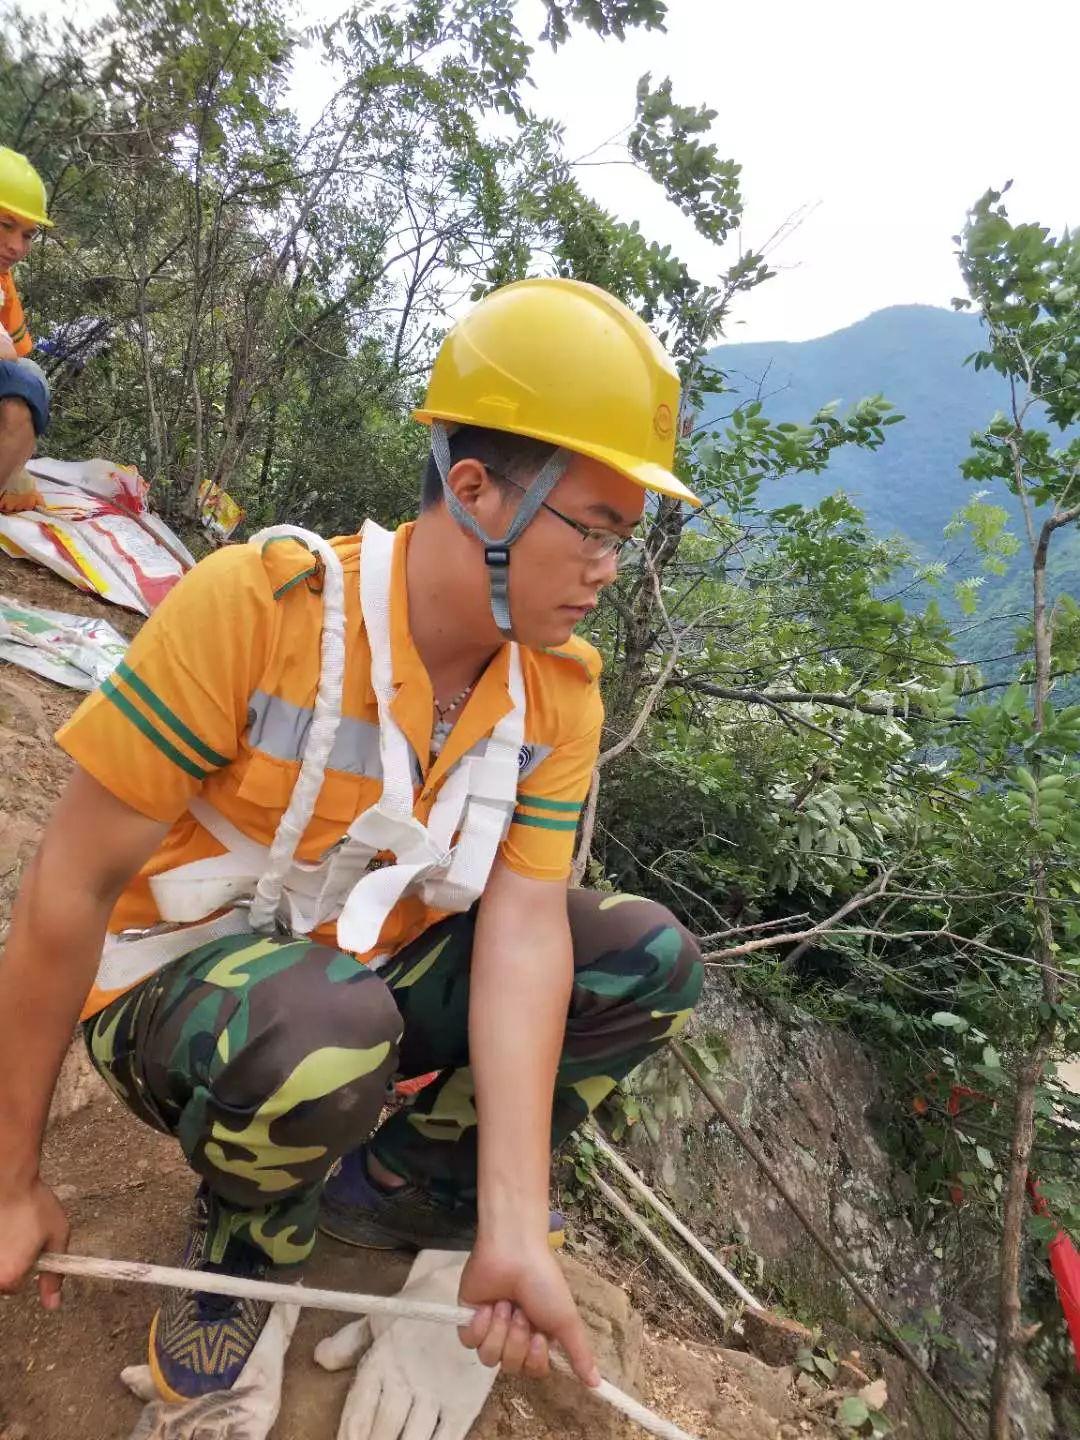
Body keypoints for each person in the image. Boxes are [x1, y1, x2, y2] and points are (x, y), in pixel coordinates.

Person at [0, 277, 704, 1404]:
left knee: (645, 958)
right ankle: (246, 1244)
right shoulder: (261, 609)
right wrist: (10, 1178)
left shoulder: (556, 693)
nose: (610, 569)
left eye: (628, 537)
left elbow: (524, 934)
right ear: (475, 492)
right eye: (596, 529)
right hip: (190, 988)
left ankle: (395, 1190)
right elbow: (68, 888)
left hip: (366, 979)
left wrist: (513, 1221)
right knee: (325, 1024)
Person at [0, 146, 52, 514]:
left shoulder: (3, 281)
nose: (16, 247)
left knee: (29, 381)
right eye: (5, 225)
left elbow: (16, 358)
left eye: (28, 234)